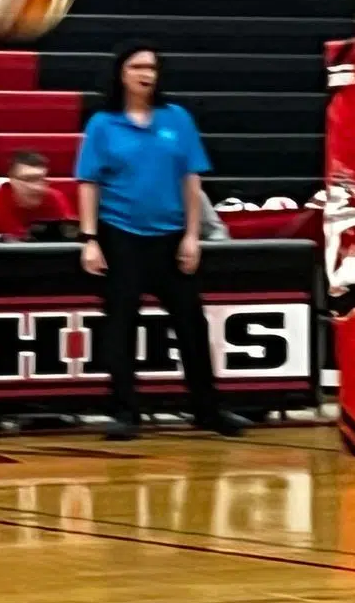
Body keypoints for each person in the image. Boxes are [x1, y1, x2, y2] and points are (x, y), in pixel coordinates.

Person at [76, 43, 247, 442]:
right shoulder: (103, 124)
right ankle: (124, 413)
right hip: (120, 235)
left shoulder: (177, 119)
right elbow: (89, 183)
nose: (146, 74)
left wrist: (192, 235)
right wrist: (90, 239)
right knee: (121, 326)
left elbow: (191, 180)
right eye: (137, 66)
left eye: (151, 67)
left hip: (171, 236)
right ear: (122, 73)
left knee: (191, 324)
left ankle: (208, 410)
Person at [0, 149, 73, 239]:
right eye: (28, 179)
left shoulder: (55, 198)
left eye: (41, 179)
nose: (36, 187)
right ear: (12, 179)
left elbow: (69, 238)